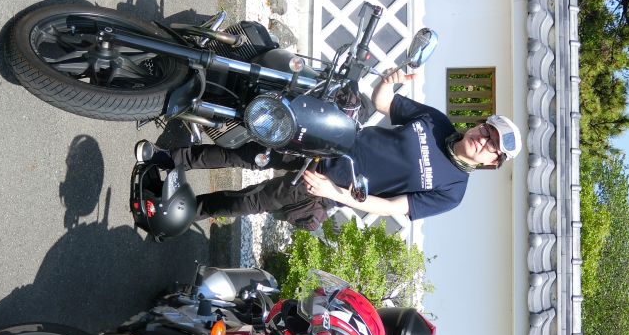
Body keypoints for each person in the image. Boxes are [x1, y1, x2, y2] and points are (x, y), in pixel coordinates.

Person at [134, 69, 522, 229]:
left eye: (492, 146)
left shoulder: (453, 190)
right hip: (327, 143)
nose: (483, 139)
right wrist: (391, 80)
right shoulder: (437, 122)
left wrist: (335, 192)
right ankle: (169, 158)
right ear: (479, 123)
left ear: (493, 162)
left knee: (250, 200)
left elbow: (390, 206)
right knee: (248, 153)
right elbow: (385, 103)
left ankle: (178, 214)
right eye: (486, 130)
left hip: (327, 184)